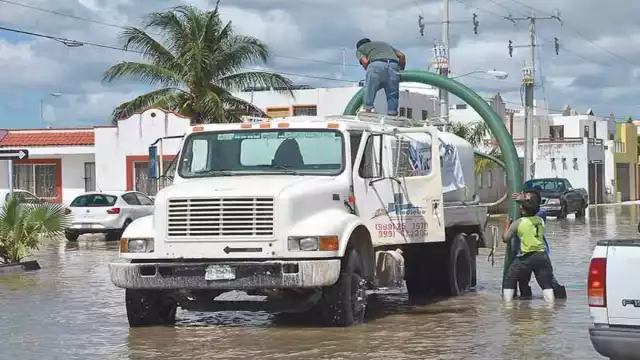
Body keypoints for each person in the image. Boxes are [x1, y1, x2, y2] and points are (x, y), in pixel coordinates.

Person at [511, 189, 565, 299]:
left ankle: (560, 300)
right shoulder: (521, 217)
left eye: (528, 199)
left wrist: (522, 201)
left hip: (539, 254)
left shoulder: (541, 215)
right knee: (523, 281)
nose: (525, 202)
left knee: (549, 280)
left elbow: (532, 208)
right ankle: (525, 306)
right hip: (524, 254)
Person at [502, 196, 555, 303]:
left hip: (526, 256)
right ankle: (550, 307)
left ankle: (507, 306)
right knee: (545, 283)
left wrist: (507, 225)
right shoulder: (540, 220)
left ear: (524, 211)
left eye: (522, 208)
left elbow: (505, 239)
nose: (520, 209)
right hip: (542, 255)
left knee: (510, 278)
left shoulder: (519, 222)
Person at [355, 38, 406, 116]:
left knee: (370, 88)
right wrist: (401, 70)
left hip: (376, 64)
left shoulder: (360, 49)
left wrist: (369, 71)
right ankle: (392, 113)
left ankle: (368, 109)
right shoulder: (384, 44)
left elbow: (365, 61)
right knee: (392, 92)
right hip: (393, 65)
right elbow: (401, 56)